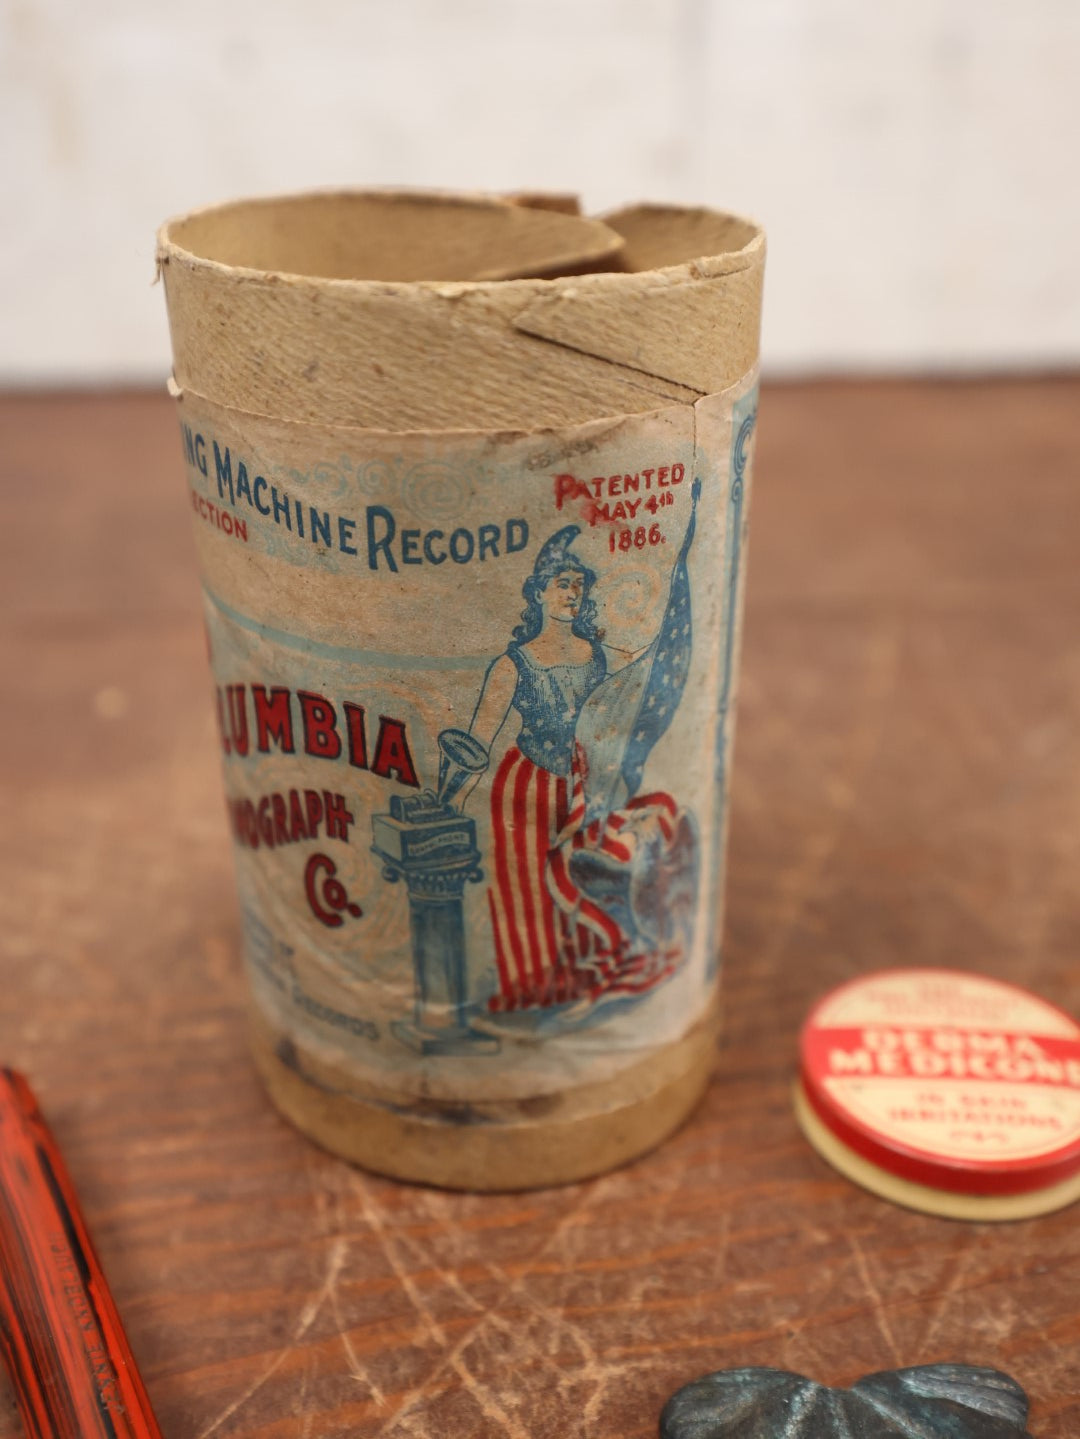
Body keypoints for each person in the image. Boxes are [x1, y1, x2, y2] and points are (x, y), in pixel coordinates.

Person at [469, 526, 687, 1013]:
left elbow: (608, 716)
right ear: (538, 593)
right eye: (561, 585)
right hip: (524, 781)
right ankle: (535, 987)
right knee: (523, 884)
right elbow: (478, 741)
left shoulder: (597, 656)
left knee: (584, 872)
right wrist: (454, 795)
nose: (572, 594)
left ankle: (587, 976)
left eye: (577, 586)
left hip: (584, 782)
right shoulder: (514, 664)